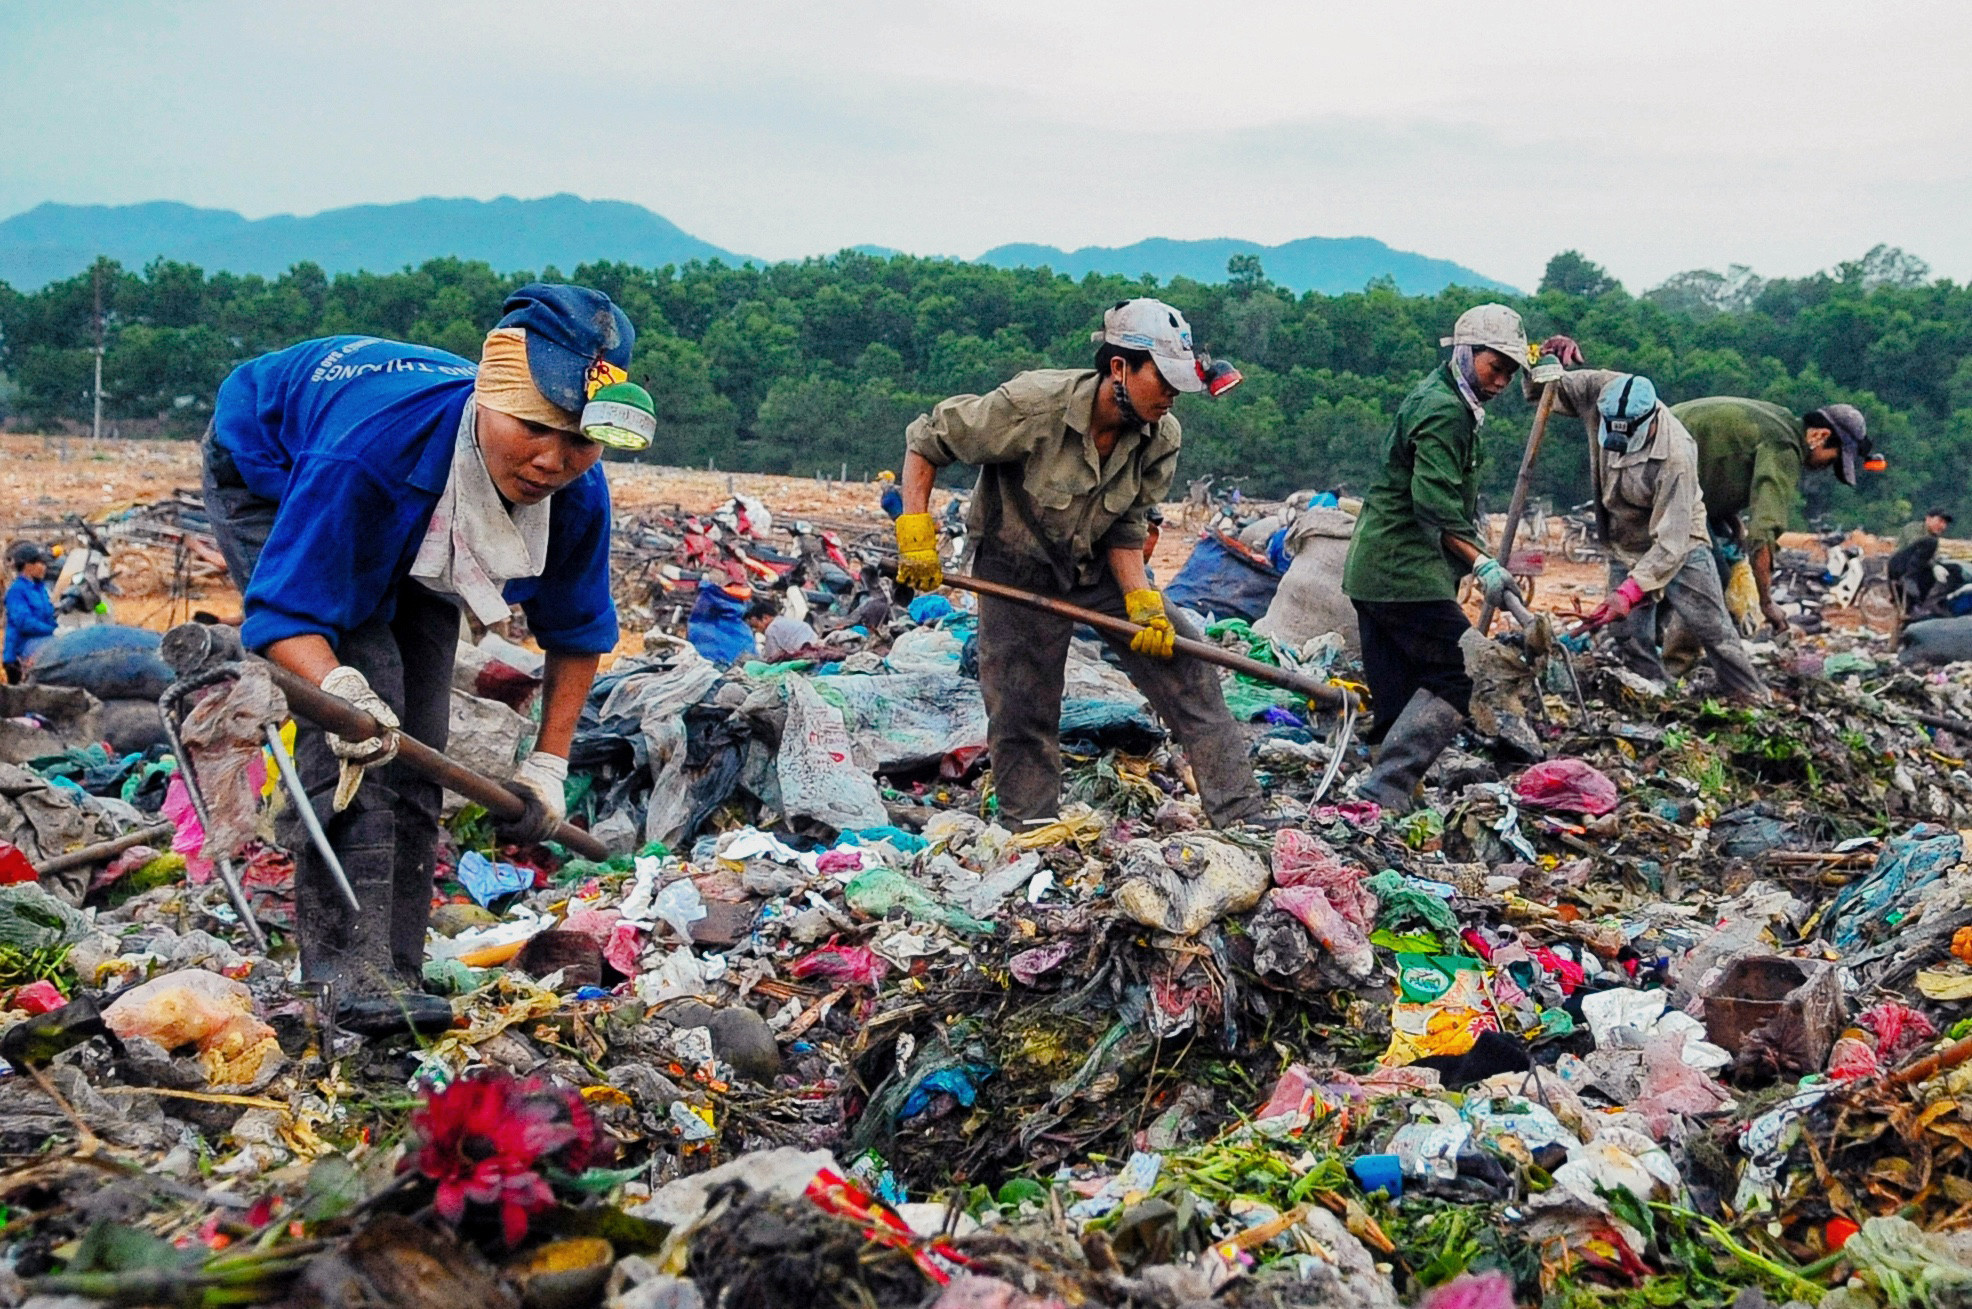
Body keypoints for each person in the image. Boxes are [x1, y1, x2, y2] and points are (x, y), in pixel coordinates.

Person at [205, 283, 655, 1035]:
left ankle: (398, 967)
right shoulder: (367, 453)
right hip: (277, 465)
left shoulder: (575, 487)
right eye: (534, 428)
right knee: (364, 700)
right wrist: (340, 689)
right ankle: (344, 972)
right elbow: (285, 616)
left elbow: (578, 630)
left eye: (579, 440)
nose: (552, 459)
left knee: (421, 726)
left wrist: (547, 765)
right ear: (488, 400)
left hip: (424, 507)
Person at [893, 297, 1270, 830]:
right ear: (1120, 367)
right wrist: (916, 534)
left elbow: (1127, 523)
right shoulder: (1032, 406)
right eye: (1162, 381)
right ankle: (1031, 828)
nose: (1171, 398)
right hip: (1014, 567)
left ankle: (1244, 816)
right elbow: (926, 441)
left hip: (1097, 568)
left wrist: (1142, 603)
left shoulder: (1161, 436)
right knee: (1023, 704)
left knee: (1188, 670)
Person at [1341, 304, 1532, 813]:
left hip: (1374, 569)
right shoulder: (1444, 410)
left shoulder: (1448, 398)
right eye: (1496, 367)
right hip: (1404, 571)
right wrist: (1482, 563)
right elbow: (1435, 505)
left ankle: (1383, 811)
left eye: (1511, 372)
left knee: (1396, 692)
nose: (1502, 380)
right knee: (1460, 674)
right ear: (1467, 353)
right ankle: (1386, 788)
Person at [1524, 349, 1767, 701]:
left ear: (1651, 421)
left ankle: (1752, 697)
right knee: (1627, 634)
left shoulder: (1677, 455)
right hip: (1625, 538)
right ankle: (1655, 694)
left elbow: (1670, 543)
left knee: (1711, 628)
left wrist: (1628, 593)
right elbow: (1545, 390)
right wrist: (1541, 360)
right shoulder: (1600, 389)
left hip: (1681, 540)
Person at [1673, 394, 1879, 634]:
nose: (1825, 468)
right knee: (1712, 581)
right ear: (1820, 436)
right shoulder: (1784, 448)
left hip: (1669, 475)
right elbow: (1763, 533)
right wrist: (1767, 603)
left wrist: (1732, 520)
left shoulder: (1778, 420)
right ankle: (1669, 662)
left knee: (1700, 572)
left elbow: (1717, 465)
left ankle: (1657, 648)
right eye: (1830, 460)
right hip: (1663, 480)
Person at [3, 544, 58, 684]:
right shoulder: (17, 591)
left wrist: (58, 626)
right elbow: (24, 622)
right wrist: (53, 630)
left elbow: (49, 614)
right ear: (28, 565)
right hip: (19, 652)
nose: (44, 567)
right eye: (41, 563)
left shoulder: (41, 589)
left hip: (42, 642)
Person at [1890, 509, 1957, 611]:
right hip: (1898, 565)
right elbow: (1916, 551)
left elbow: (1929, 557)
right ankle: (1909, 580)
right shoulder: (1913, 528)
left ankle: (1924, 604)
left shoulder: (1934, 537)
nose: (1943, 526)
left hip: (1915, 568)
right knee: (1930, 543)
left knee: (1954, 569)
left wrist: (1938, 564)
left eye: (1945, 523)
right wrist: (1934, 565)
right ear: (1928, 519)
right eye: (1940, 521)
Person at [746, 598, 819, 661]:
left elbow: (771, 658)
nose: (756, 630)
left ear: (765, 618)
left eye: (756, 626)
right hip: (815, 647)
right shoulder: (785, 621)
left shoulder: (771, 629)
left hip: (804, 654)